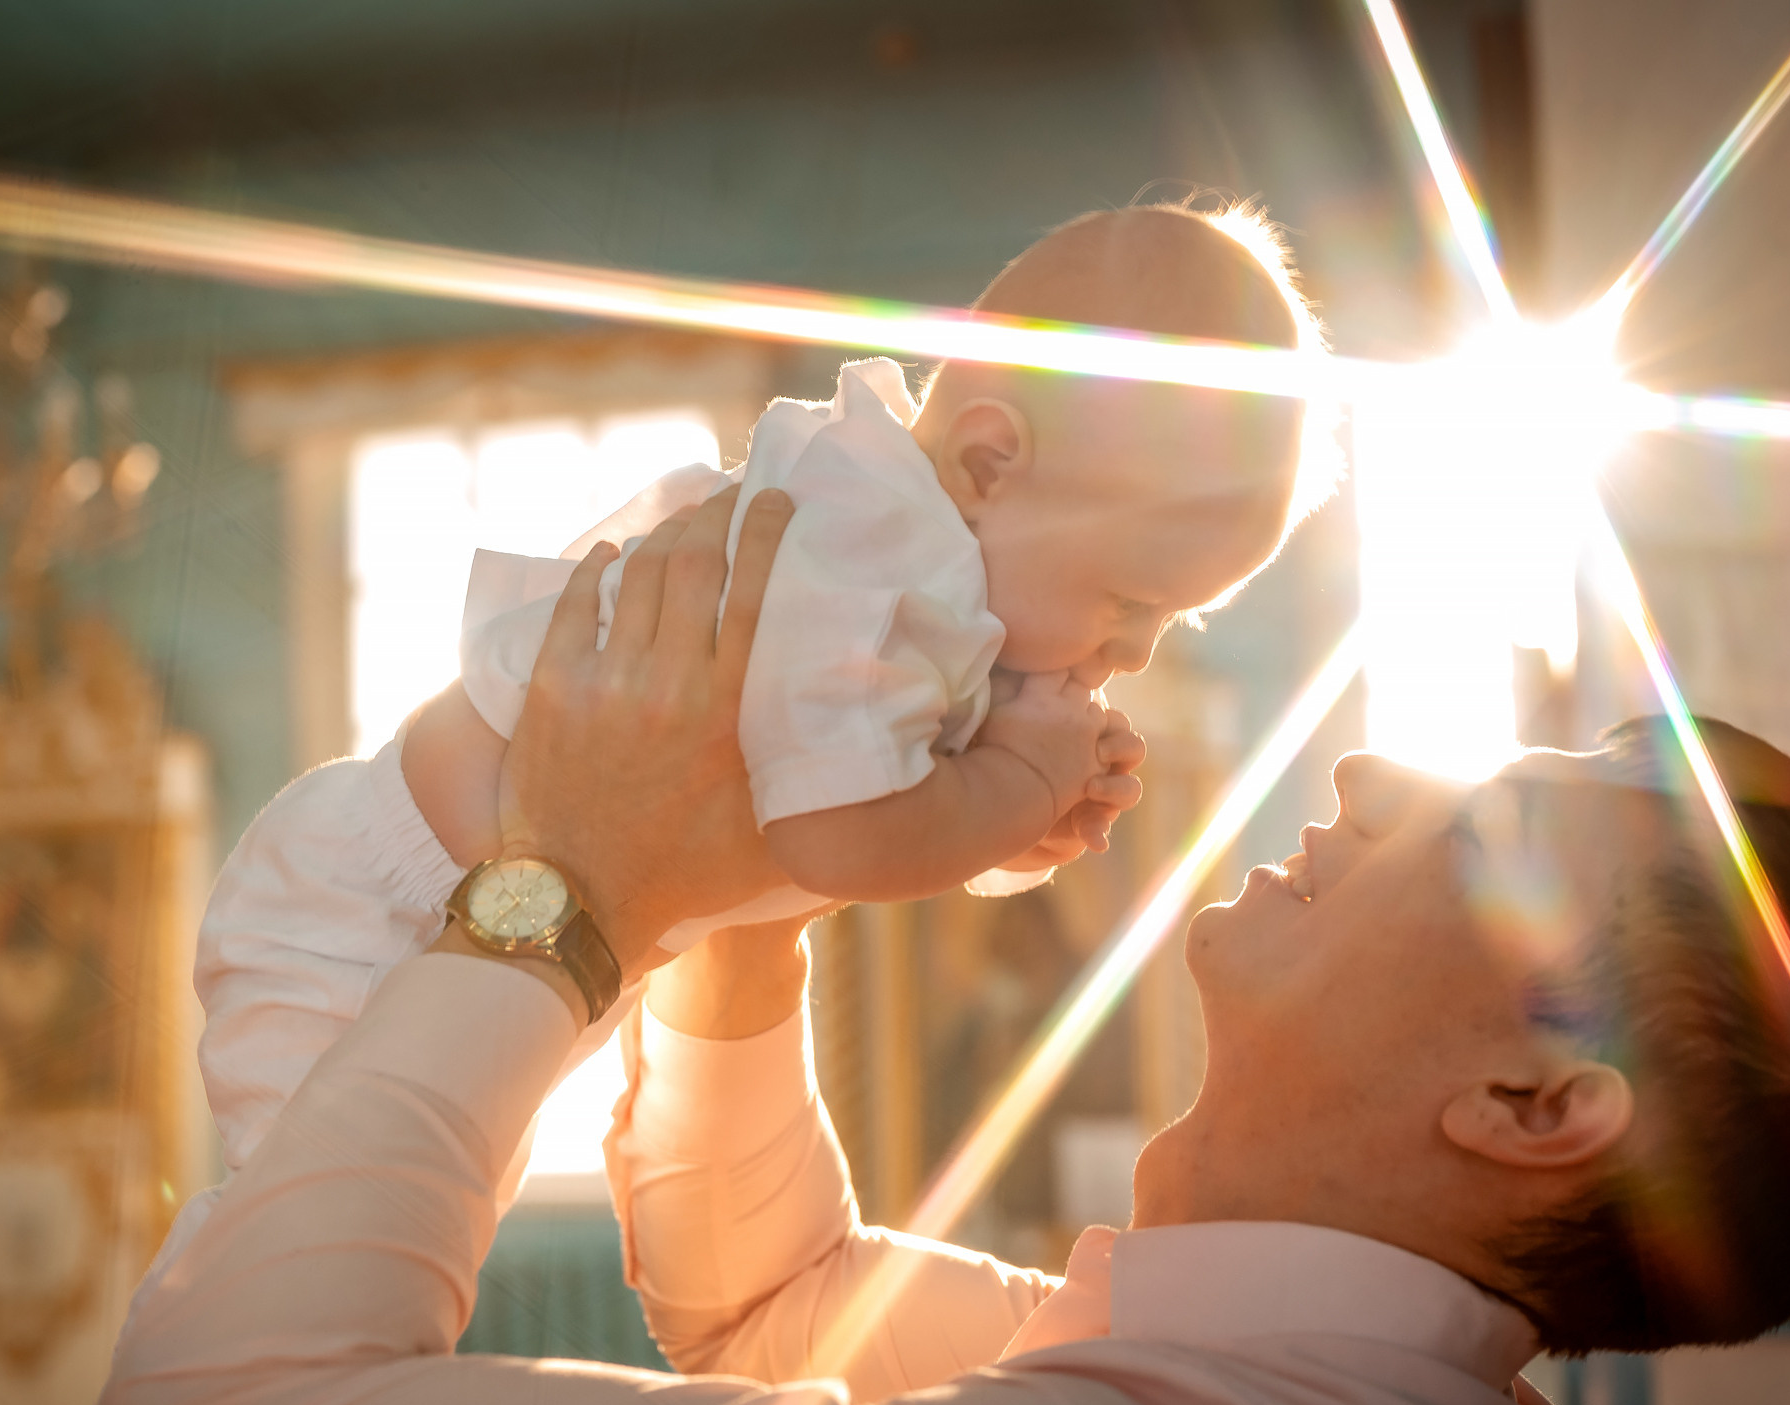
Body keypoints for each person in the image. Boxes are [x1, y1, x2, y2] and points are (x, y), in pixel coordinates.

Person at [85, 488, 1790, 1405]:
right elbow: (775, 1304)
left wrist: (563, 892)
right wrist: (757, 893)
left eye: (1492, 831)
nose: (1380, 765)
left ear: (1536, 1101)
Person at [413, 201, 1340, 952]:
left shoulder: (942, 566)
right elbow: (840, 836)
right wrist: (1018, 778)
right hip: (384, 898)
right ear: (987, 465)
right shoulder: (874, 549)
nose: (1136, 652)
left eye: (1175, 620)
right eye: (1134, 602)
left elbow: (890, 788)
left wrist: (1015, 823)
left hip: (493, 917)